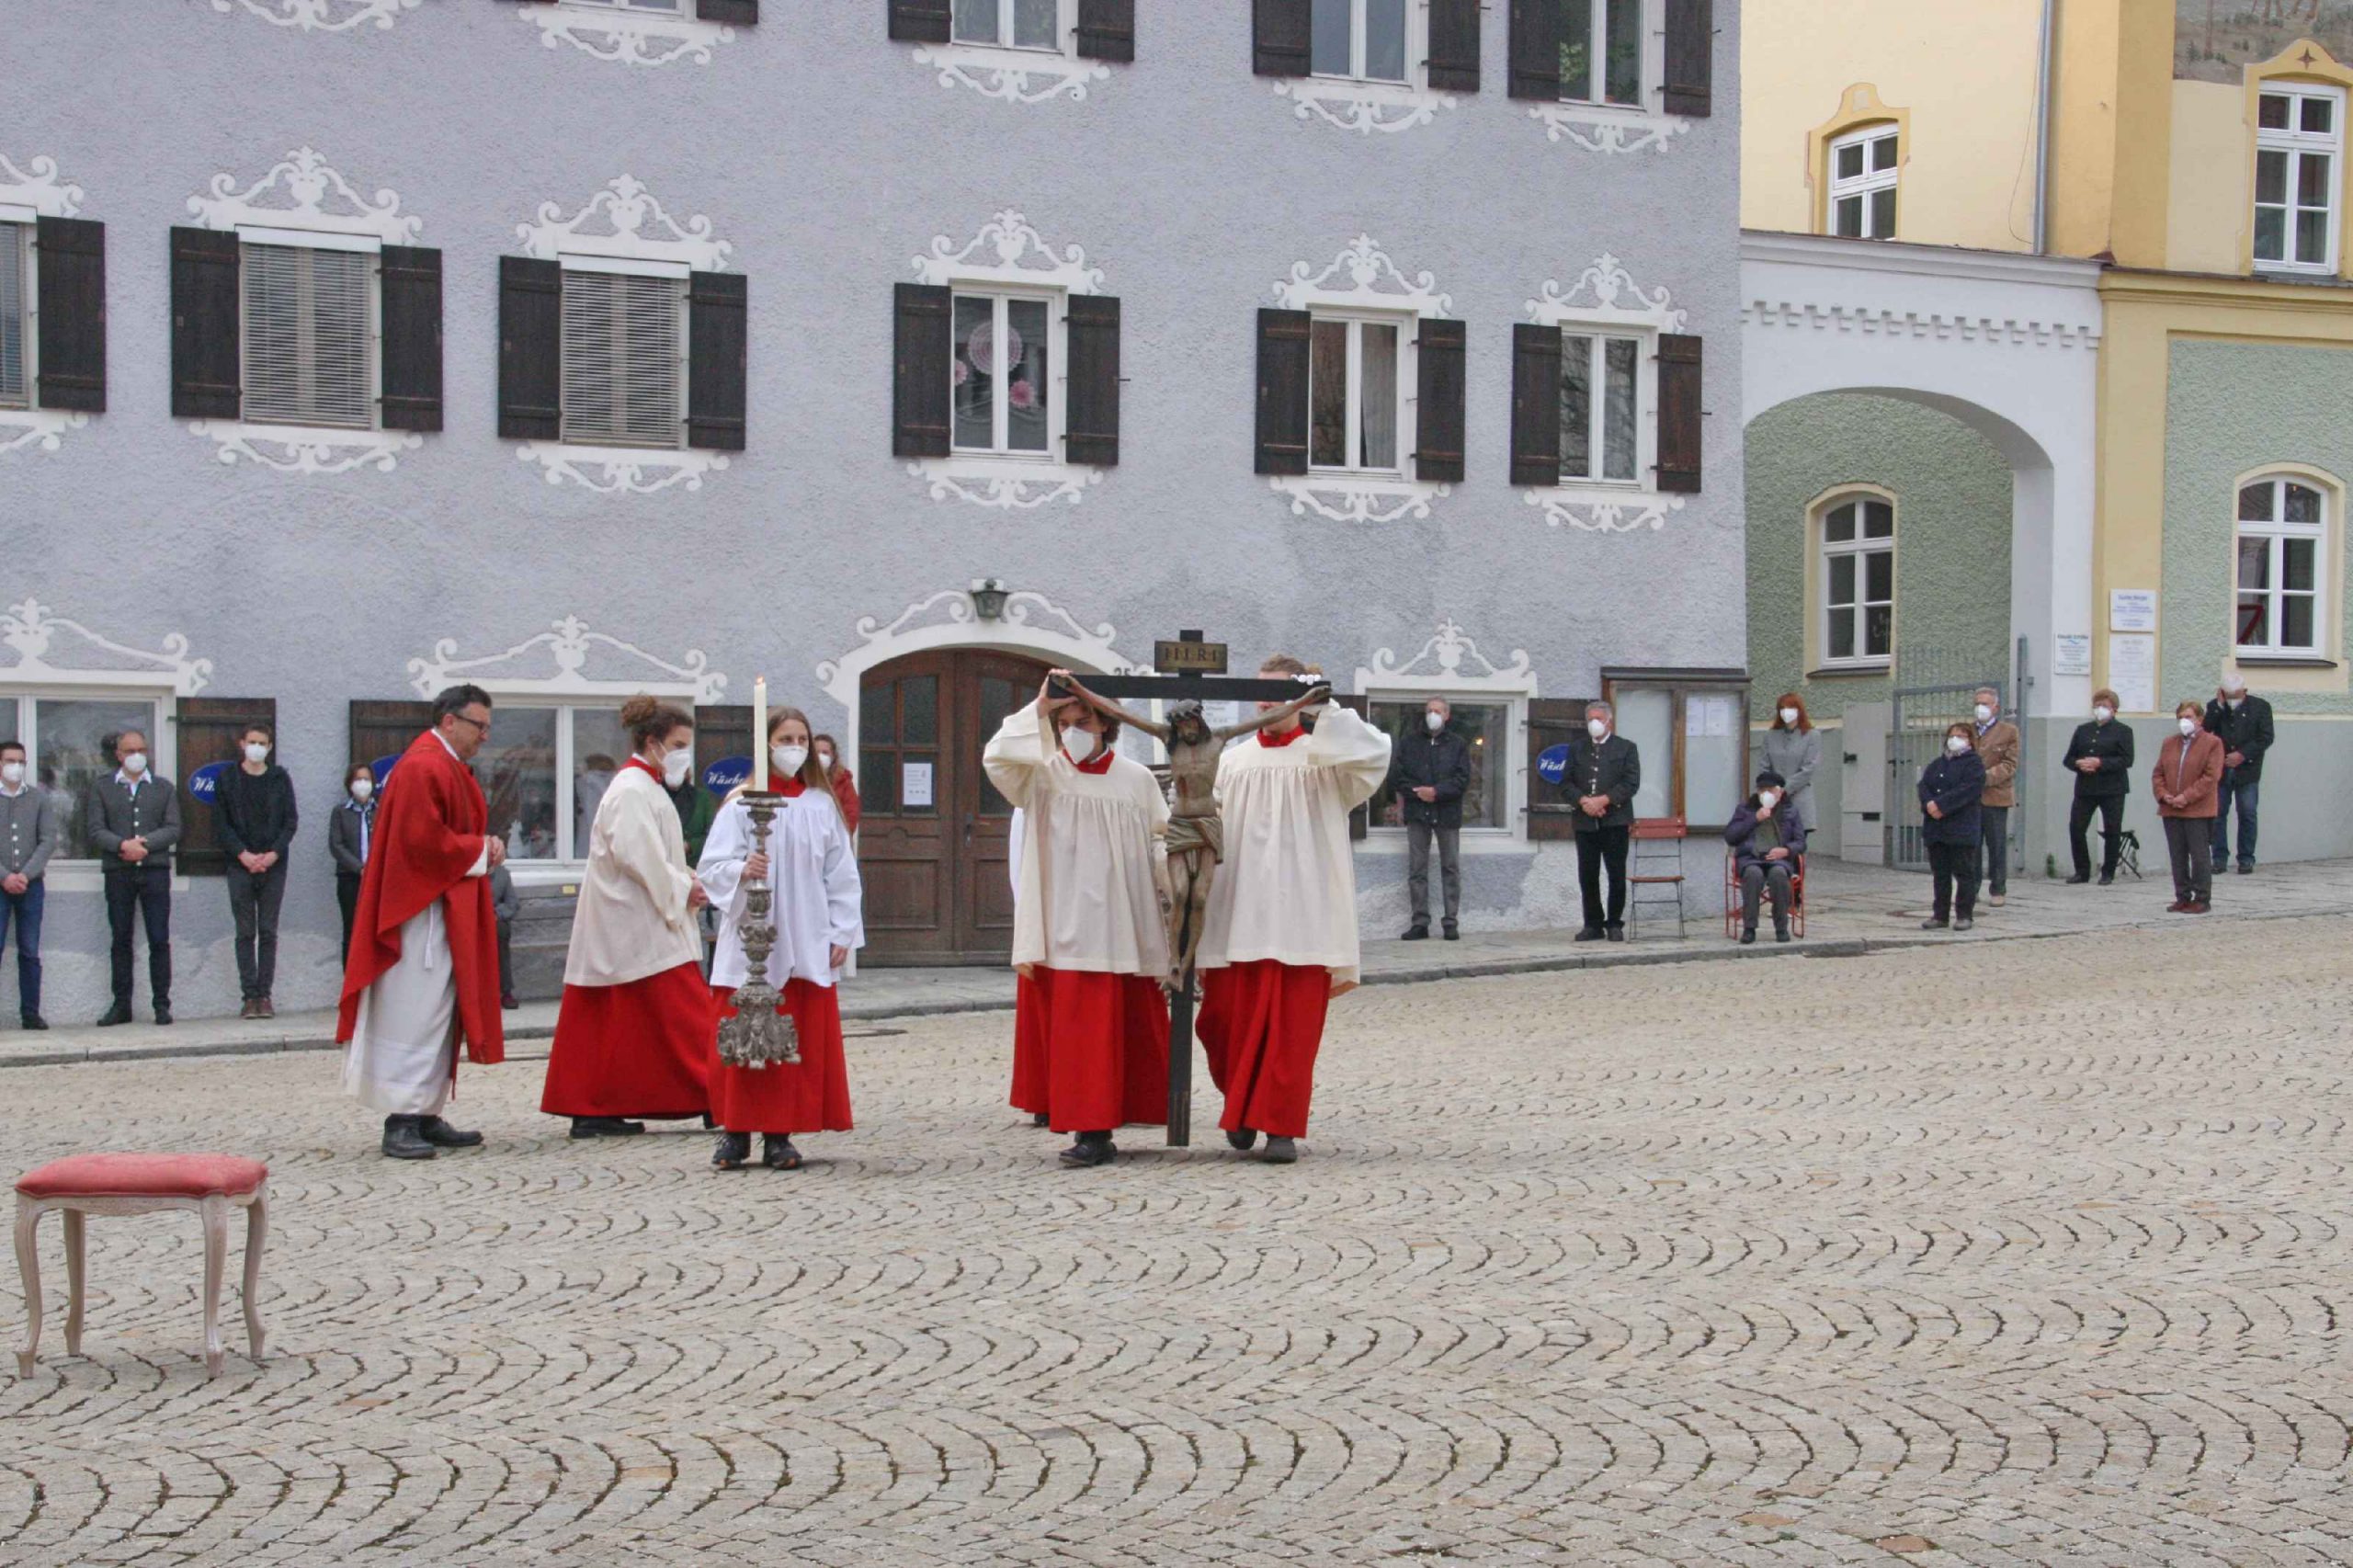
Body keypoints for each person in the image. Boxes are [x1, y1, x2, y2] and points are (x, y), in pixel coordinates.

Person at [1194, 656, 1391, 1165]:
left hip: (1302, 913)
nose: (1265, 701)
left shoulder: (1329, 759)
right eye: (1259, 692)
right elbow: (1204, 824)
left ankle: (1279, 1127)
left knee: (1291, 1031)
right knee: (1221, 1021)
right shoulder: (1232, 761)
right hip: (1237, 909)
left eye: (1280, 692)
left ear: (1302, 699)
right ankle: (1240, 1109)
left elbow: (1376, 751)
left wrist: (1324, 710)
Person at [983, 670, 1173, 1168]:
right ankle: (1091, 1129)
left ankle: (1113, 1117)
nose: (1072, 731)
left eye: (1083, 721)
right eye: (1064, 723)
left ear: (1106, 724)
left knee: (1118, 1030)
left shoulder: (1137, 779)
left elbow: (1160, 841)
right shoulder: (1041, 775)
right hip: (1067, 923)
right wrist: (1040, 708)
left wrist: (1179, 869)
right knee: (1080, 1034)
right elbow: (997, 758)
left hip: (1122, 923)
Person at [337, 685, 506, 1161]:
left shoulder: (445, 764)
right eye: (479, 726)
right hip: (420, 915)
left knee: (438, 1012)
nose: (485, 736)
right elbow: (422, 842)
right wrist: (481, 849)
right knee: (414, 1011)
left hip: (441, 907)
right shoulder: (424, 765)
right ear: (450, 721)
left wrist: (481, 847)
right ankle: (402, 1119)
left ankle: (426, 1110)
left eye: (488, 727)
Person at [699, 707, 864, 1172]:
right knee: (742, 1031)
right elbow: (712, 867)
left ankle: (779, 1134)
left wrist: (842, 931)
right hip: (751, 938)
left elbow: (841, 874)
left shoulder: (821, 805)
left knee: (792, 1034)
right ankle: (735, 1132)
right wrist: (740, 869)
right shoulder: (740, 804)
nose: (796, 747)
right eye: (785, 739)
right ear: (765, 744)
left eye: (802, 740)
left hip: (805, 934)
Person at [542, 697, 712, 1138]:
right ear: (653, 742)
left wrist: (686, 878)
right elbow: (639, 856)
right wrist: (684, 887)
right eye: (678, 745)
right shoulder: (633, 789)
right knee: (685, 1014)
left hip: (640, 915)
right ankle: (716, 1092)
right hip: (637, 919)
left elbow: (659, 855)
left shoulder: (644, 787)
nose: (684, 754)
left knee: (619, 1023)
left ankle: (599, 1105)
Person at [89, 729, 179, 1027]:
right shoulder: (102, 787)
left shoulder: (163, 788)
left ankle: (161, 1004)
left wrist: (145, 845)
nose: (136, 756)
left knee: (159, 938)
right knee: (121, 939)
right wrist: (121, 846)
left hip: (154, 871)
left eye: (141, 750)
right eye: (130, 751)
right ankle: (121, 1005)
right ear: (118, 755)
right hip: (118, 872)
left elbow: (174, 828)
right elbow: (95, 829)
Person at [217, 722, 298, 1020]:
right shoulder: (228, 779)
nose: (256, 748)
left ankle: (264, 996)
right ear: (242, 744)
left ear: (269, 747)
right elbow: (221, 824)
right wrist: (244, 855)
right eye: (252, 742)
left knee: (267, 931)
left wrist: (273, 853)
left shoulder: (280, 778)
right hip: (240, 864)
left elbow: (290, 821)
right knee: (244, 932)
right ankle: (249, 996)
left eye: (262, 743)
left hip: (273, 865)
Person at [1388, 697, 1471, 941]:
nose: (1432, 715)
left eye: (1437, 711)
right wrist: (1418, 792)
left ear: (1447, 715)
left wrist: (1436, 792)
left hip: (1447, 813)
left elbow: (1462, 779)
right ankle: (1420, 922)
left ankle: (1450, 922)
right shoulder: (1409, 742)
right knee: (1417, 869)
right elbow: (1397, 776)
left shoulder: (1457, 744)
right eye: (1429, 710)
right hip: (1417, 812)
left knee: (1450, 867)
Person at [1565, 701, 1641, 942]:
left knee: (1616, 874)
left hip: (1615, 821)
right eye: (1590, 719)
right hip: (1585, 821)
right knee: (1588, 874)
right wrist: (1584, 801)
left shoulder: (1626, 748)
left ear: (1609, 721)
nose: (1594, 723)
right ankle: (1593, 924)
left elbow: (1631, 783)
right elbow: (1566, 783)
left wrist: (1604, 800)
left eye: (1598, 718)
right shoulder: (1577, 748)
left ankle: (1614, 923)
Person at [0, 740, 57, 1029]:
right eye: (10, 760)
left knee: (30, 950)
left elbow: (48, 840)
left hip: (31, 885)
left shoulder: (38, 799)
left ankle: (31, 1013)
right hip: (0, 884)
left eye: (20, 761)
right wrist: (4, 876)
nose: (16, 766)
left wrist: (25, 874)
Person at [2154, 699, 2224, 914]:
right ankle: (2182, 896)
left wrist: (2186, 797)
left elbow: (2211, 777)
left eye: (2189, 717)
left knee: (2199, 855)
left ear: (2200, 719)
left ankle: (2202, 898)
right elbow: (2158, 773)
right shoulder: (2169, 743)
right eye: (2181, 717)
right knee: (2178, 855)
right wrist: (2164, 795)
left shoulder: (2212, 743)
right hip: (2171, 809)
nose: (2184, 721)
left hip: (2198, 809)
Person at [2062, 689, 2135, 885]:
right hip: (2086, 787)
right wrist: (2079, 764)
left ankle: (2108, 871)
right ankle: (2082, 870)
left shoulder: (2123, 731)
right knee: (2076, 828)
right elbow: (2069, 758)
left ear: (2114, 710)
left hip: (2112, 788)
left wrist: (2100, 763)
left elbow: (2127, 760)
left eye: (2105, 706)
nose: (2100, 709)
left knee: (2112, 829)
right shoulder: (2083, 730)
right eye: (2097, 706)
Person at [1917, 722, 1985, 931]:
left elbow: (1968, 790)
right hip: (1937, 828)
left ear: (1970, 740)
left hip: (1961, 827)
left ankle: (1964, 915)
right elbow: (1924, 786)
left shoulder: (1973, 764)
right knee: (1941, 874)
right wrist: (1929, 804)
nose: (1955, 739)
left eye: (1961, 736)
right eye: (1952, 735)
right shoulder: (1937, 764)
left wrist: (1941, 805)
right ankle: (1940, 915)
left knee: (1964, 873)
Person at [2204, 674, 2273, 875]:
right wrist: (2219, 706)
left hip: (2247, 769)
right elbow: (2205, 730)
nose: (2232, 699)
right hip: (2222, 769)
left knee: (2247, 813)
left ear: (2244, 691)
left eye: (2235, 695)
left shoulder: (2260, 707)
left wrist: (2242, 755)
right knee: (2217, 814)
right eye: (2228, 695)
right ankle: (2219, 858)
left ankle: (2246, 858)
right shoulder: (2215, 707)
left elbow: (2266, 737)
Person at [1723, 768, 1802, 945]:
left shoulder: (1790, 811)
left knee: (1779, 875)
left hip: (1778, 860)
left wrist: (1786, 850)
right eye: (1762, 790)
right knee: (1753, 874)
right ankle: (1749, 928)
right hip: (1751, 858)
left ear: (1780, 792)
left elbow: (1800, 842)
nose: (1766, 794)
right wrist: (1754, 819)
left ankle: (1781, 927)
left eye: (1770, 790)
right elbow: (1730, 836)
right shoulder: (1745, 809)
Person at [1972, 686, 2019, 907]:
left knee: (1996, 844)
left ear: (1995, 707)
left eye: (1984, 704)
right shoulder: (1967, 730)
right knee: (1971, 845)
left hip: (1996, 796)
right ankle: (1970, 889)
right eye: (1977, 704)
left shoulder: (2008, 732)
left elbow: (2010, 764)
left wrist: (1985, 777)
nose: (1980, 708)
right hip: (1970, 798)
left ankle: (1998, 889)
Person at [330, 764, 377, 963]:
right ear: (350, 784)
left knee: (374, 929)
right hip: (350, 878)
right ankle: (349, 975)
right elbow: (336, 845)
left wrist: (374, 869)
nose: (363, 784)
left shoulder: (380, 810)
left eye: (367, 779)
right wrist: (359, 868)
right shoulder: (341, 812)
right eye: (358, 779)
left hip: (376, 878)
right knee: (350, 929)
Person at [1758, 696, 1819, 846]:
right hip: (1773, 800)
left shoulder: (1812, 736)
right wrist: (1770, 789)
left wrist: (1784, 789)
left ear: (1799, 710)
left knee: (1795, 846)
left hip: (1800, 799)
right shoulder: (1770, 736)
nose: (1786, 712)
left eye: (1790, 708)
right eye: (1782, 709)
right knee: (1773, 845)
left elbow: (1808, 769)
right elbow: (1764, 766)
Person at [813, 733, 862, 835]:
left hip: (834, 838)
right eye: (816, 752)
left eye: (825, 752)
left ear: (833, 756)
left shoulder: (843, 781)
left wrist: (840, 838)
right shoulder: (801, 780)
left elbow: (851, 814)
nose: (820, 756)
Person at [491, 860, 519, 1009]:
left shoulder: (502, 874)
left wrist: (495, 914)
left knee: (501, 930)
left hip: (494, 921)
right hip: (471, 919)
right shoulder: (470, 870)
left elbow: (512, 903)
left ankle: (505, 991)